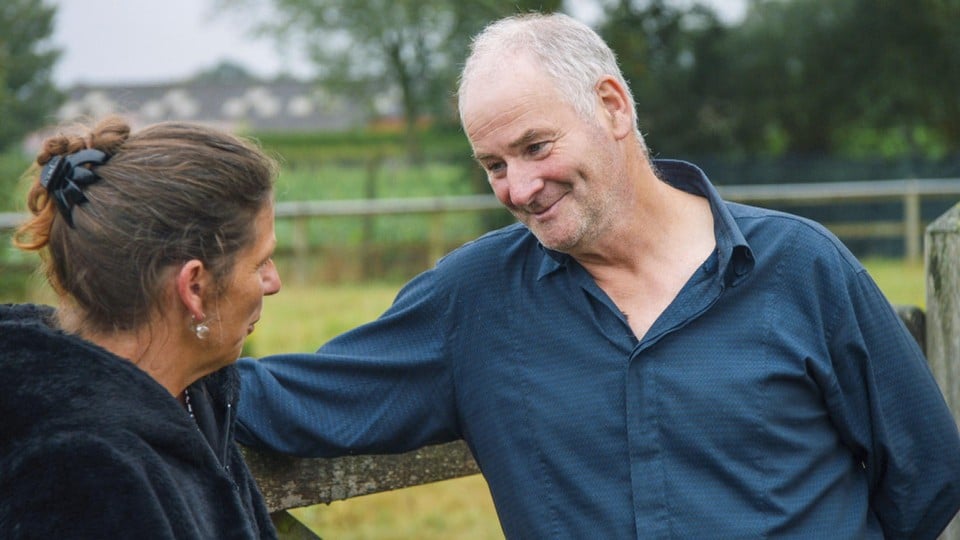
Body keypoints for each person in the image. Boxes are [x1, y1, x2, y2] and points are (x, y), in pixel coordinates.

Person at [235, 12, 960, 538]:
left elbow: (925, 479)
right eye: (493, 165)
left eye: (535, 146)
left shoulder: (801, 266)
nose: (518, 188)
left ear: (611, 106)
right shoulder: (473, 301)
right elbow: (302, 401)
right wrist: (138, 354)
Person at [0, 117, 282, 539]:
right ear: (194, 287)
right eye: (260, 262)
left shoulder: (193, 396)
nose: (273, 282)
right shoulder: (81, 479)